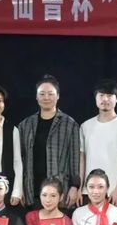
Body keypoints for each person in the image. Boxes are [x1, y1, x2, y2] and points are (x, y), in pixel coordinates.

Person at [18, 74, 80, 209]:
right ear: (36, 97)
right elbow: (19, 160)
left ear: (58, 96)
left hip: (59, 191)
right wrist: (18, 188)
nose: (46, 97)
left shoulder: (69, 124)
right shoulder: (25, 125)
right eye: (42, 94)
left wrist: (75, 187)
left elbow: (75, 160)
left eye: (50, 94)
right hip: (31, 191)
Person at [78, 78, 117, 209]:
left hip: (115, 193)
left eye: (109, 96)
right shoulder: (85, 126)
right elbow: (82, 160)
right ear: (96, 98)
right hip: (89, 191)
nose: (105, 99)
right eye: (101, 95)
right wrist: (79, 188)